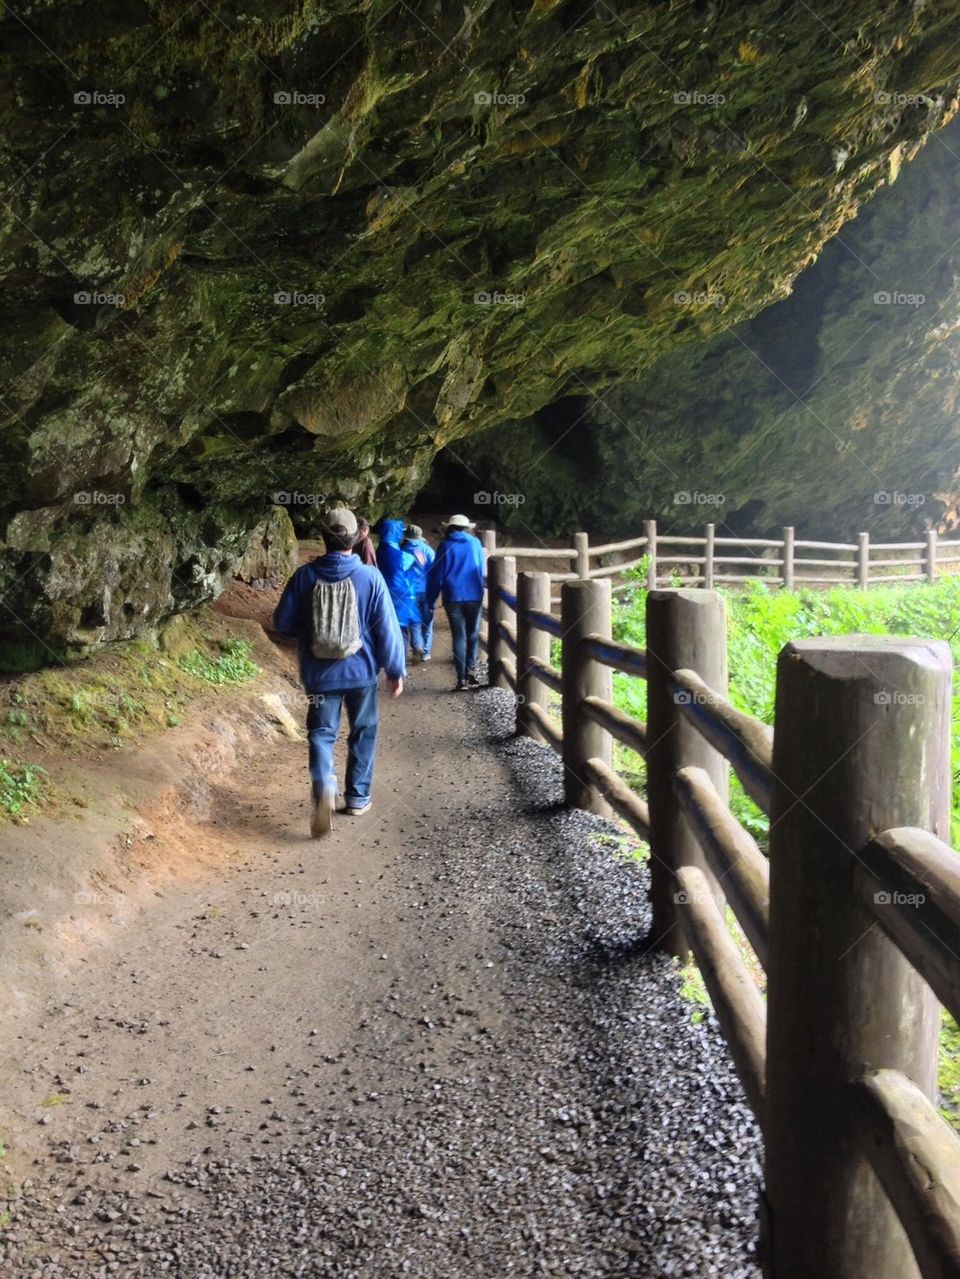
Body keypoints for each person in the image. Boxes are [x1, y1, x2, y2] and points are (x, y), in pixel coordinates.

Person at [273, 507, 405, 837]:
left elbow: (282, 622)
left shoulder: (305, 576)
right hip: (361, 672)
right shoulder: (370, 578)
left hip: (320, 673)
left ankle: (324, 785)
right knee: (364, 729)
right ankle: (358, 797)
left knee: (321, 733)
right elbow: (387, 628)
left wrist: (310, 628)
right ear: (356, 537)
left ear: (324, 538)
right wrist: (395, 669)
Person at [426, 514, 486, 691]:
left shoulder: (444, 545)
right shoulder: (475, 543)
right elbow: (481, 567)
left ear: (449, 528)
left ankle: (461, 680)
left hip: (453, 595)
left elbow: (436, 575)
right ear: (467, 528)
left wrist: (431, 599)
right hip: (474, 593)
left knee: (458, 636)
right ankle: (472, 669)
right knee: (473, 633)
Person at [376, 518, 420, 653]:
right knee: (401, 628)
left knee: (390, 627)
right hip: (400, 594)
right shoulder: (397, 553)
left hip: (385, 592)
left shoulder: (379, 550)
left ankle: (395, 655)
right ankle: (401, 658)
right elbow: (410, 561)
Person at [402, 523, 436, 663]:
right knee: (428, 622)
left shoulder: (402, 551)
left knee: (414, 622)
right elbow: (435, 570)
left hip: (410, 592)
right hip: (427, 590)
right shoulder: (427, 550)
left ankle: (418, 646)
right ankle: (426, 652)